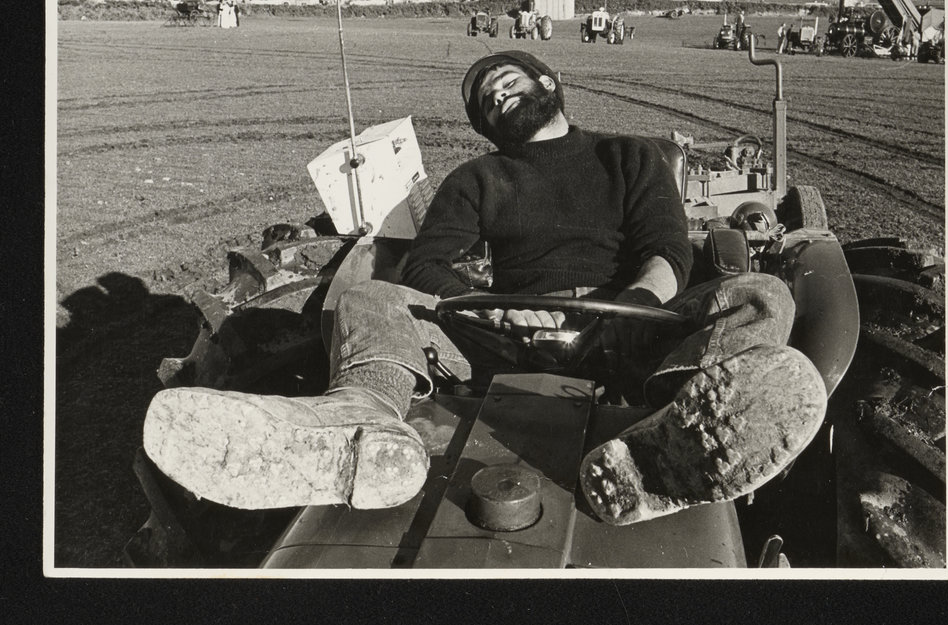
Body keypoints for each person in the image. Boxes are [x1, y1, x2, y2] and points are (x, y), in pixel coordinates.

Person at [143, 51, 826, 526]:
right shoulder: (477, 179)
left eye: (505, 80)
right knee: (368, 299)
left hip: (625, 325)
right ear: (483, 125)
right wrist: (496, 309)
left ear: (547, 83)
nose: (494, 93)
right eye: (483, 99)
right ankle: (361, 429)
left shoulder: (628, 155)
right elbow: (428, 267)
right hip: (499, 333)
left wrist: (642, 304)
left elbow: (666, 249)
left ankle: (662, 446)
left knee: (761, 295)